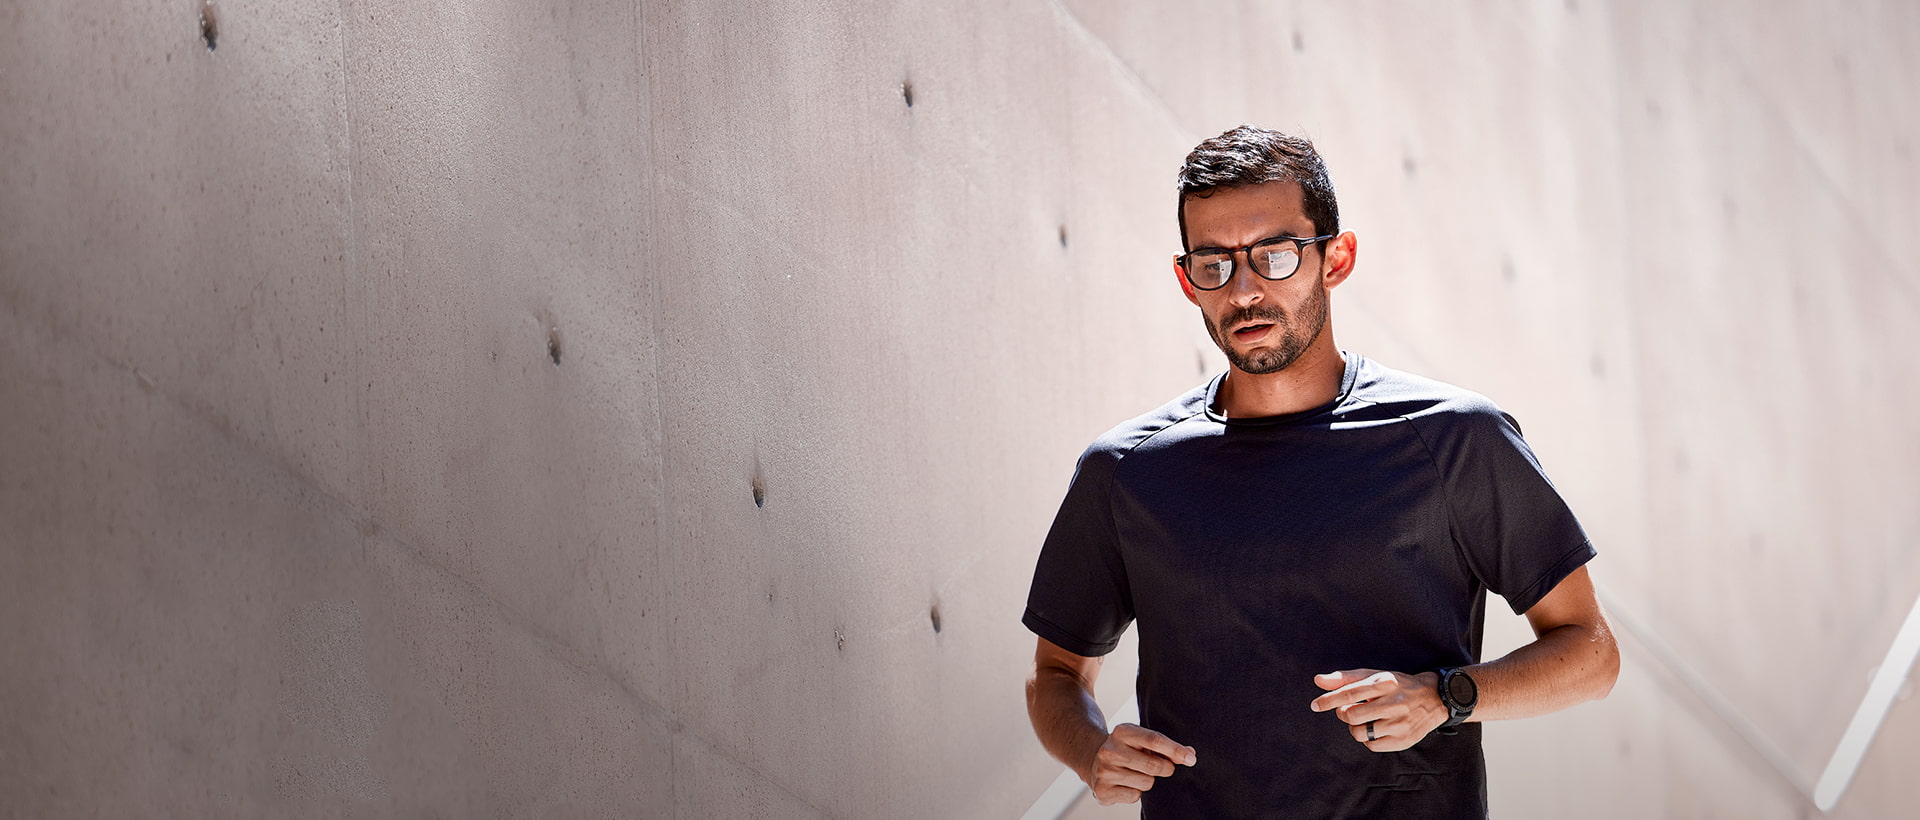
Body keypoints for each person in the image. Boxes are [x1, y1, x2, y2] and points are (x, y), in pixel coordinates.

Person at [1021, 125, 1619, 818]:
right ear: (1187, 281)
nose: (1244, 290)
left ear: (1337, 258)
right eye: (1214, 264)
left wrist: (1446, 696)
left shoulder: (1453, 438)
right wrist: (1090, 751)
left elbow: (1591, 652)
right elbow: (1055, 674)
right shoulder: (1127, 470)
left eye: (1275, 255)